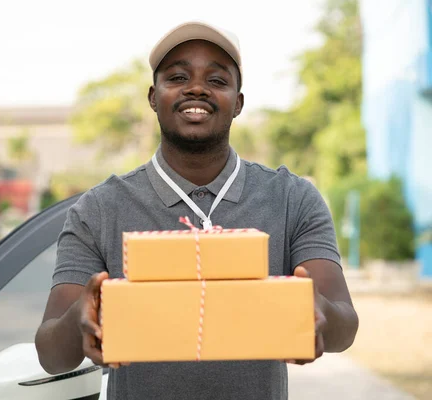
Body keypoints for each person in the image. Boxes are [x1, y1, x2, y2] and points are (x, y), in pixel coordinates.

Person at [35, 20, 359, 400]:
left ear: (238, 103)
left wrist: (315, 310)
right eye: (177, 77)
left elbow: (345, 328)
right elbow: (50, 355)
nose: (196, 88)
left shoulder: (293, 198)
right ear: (153, 97)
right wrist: (79, 319)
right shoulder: (98, 209)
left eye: (218, 81)